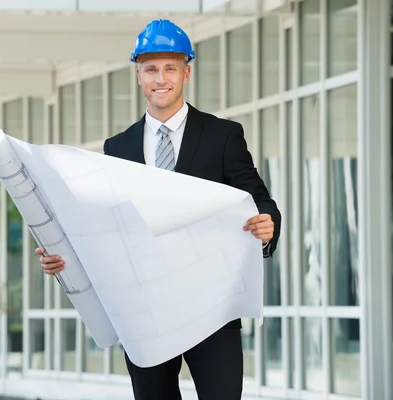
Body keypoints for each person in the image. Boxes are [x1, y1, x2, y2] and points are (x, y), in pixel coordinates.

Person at [36, 19, 281, 400]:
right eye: (151, 69)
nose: (160, 78)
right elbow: (103, 227)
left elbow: (259, 199)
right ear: (138, 75)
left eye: (170, 68)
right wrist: (62, 254)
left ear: (187, 72)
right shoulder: (117, 148)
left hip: (212, 311)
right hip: (145, 313)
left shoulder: (223, 136)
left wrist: (267, 226)